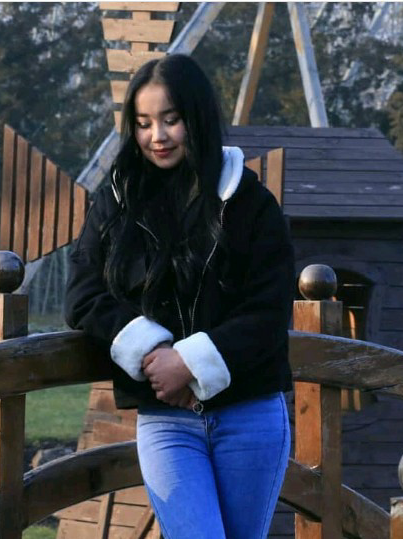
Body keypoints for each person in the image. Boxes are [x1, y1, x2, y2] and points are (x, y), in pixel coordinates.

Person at [65, 54, 295, 539]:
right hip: (166, 421)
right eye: (143, 123)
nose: (157, 136)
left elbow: (269, 310)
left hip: (250, 414)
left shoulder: (251, 202)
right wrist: (154, 352)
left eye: (171, 119)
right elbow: (83, 296)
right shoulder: (115, 201)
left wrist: (190, 363)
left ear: (197, 117)